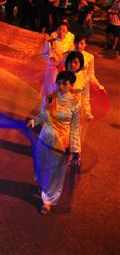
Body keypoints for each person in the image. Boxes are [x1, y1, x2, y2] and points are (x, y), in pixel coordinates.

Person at [26, 70, 81, 215]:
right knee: (42, 166)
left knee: (55, 172)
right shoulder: (50, 98)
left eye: (65, 83)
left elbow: (75, 127)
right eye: (59, 83)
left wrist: (75, 149)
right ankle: (43, 187)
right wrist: (34, 121)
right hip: (45, 139)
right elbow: (43, 115)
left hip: (61, 143)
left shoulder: (75, 103)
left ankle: (48, 201)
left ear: (71, 85)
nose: (61, 86)